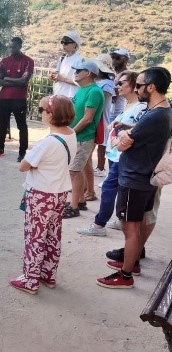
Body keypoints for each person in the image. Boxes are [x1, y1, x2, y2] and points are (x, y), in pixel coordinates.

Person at [97, 67, 172, 289]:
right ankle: (132, 263)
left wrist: (122, 135)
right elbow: (138, 133)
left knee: (130, 229)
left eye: (138, 85)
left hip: (135, 178)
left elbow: (123, 142)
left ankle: (126, 274)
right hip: (145, 178)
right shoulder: (164, 111)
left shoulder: (155, 115)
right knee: (136, 226)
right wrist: (127, 131)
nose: (136, 89)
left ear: (151, 87)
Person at [9, 95, 77, 294]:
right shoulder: (71, 134)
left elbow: (24, 166)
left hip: (41, 194)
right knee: (53, 234)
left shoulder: (48, 142)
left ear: (51, 114)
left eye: (41, 110)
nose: (40, 114)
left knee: (34, 236)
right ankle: (48, 274)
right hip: (60, 192)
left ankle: (30, 279)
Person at [77, 71, 146, 236]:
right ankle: (118, 220)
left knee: (109, 187)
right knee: (119, 189)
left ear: (134, 85)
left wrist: (121, 128)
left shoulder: (141, 107)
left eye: (121, 83)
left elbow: (139, 131)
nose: (118, 86)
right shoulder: (129, 105)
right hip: (116, 154)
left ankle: (99, 225)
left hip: (124, 155)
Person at [62, 60, 104, 219]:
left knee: (74, 171)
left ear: (88, 73)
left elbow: (87, 118)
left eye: (79, 70)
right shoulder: (82, 89)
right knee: (76, 169)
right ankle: (79, 201)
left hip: (83, 137)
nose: (75, 72)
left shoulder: (93, 91)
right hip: (78, 136)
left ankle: (74, 207)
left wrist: (71, 132)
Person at [0, 37, 34, 160]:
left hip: (19, 99)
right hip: (4, 98)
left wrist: (7, 79)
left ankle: (22, 152)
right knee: (3, 125)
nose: (11, 49)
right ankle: (0, 149)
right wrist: (15, 81)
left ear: (20, 46)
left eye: (14, 47)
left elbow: (24, 80)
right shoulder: (4, 61)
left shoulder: (28, 61)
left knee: (21, 126)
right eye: (10, 47)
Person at [87, 54, 115, 182]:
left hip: (101, 118)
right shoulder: (98, 83)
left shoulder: (107, 84)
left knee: (100, 143)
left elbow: (99, 99)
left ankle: (100, 167)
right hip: (96, 117)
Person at [50, 31, 83, 98]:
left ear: (74, 44)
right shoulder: (62, 58)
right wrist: (53, 76)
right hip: (58, 94)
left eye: (66, 42)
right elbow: (57, 73)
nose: (63, 44)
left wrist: (62, 79)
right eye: (62, 42)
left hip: (70, 96)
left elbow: (79, 82)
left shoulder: (79, 60)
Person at [109, 48, 130, 122]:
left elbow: (118, 91)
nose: (114, 60)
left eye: (118, 58)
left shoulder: (128, 75)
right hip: (107, 111)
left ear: (125, 60)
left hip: (117, 112)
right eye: (113, 57)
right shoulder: (110, 72)